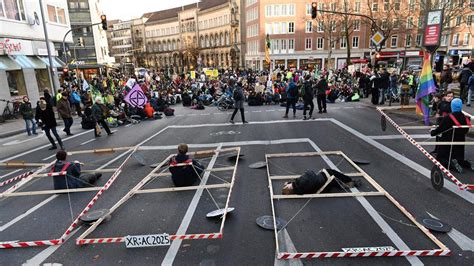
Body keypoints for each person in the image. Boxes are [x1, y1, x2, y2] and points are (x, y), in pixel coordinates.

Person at [430, 98, 473, 173]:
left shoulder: (448, 118)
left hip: (448, 141)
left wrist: (432, 132)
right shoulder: (466, 118)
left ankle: (451, 164)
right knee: (459, 158)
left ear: (452, 107)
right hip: (460, 141)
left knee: (441, 158)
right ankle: (467, 164)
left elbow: (440, 129)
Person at [282, 169, 359, 195]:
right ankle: (351, 182)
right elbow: (310, 175)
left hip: (320, 179)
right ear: (289, 189)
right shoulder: (299, 186)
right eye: (286, 187)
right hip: (322, 181)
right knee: (333, 175)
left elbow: (308, 176)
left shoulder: (296, 185)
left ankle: (349, 181)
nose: (287, 185)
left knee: (331, 172)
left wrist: (290, 183)